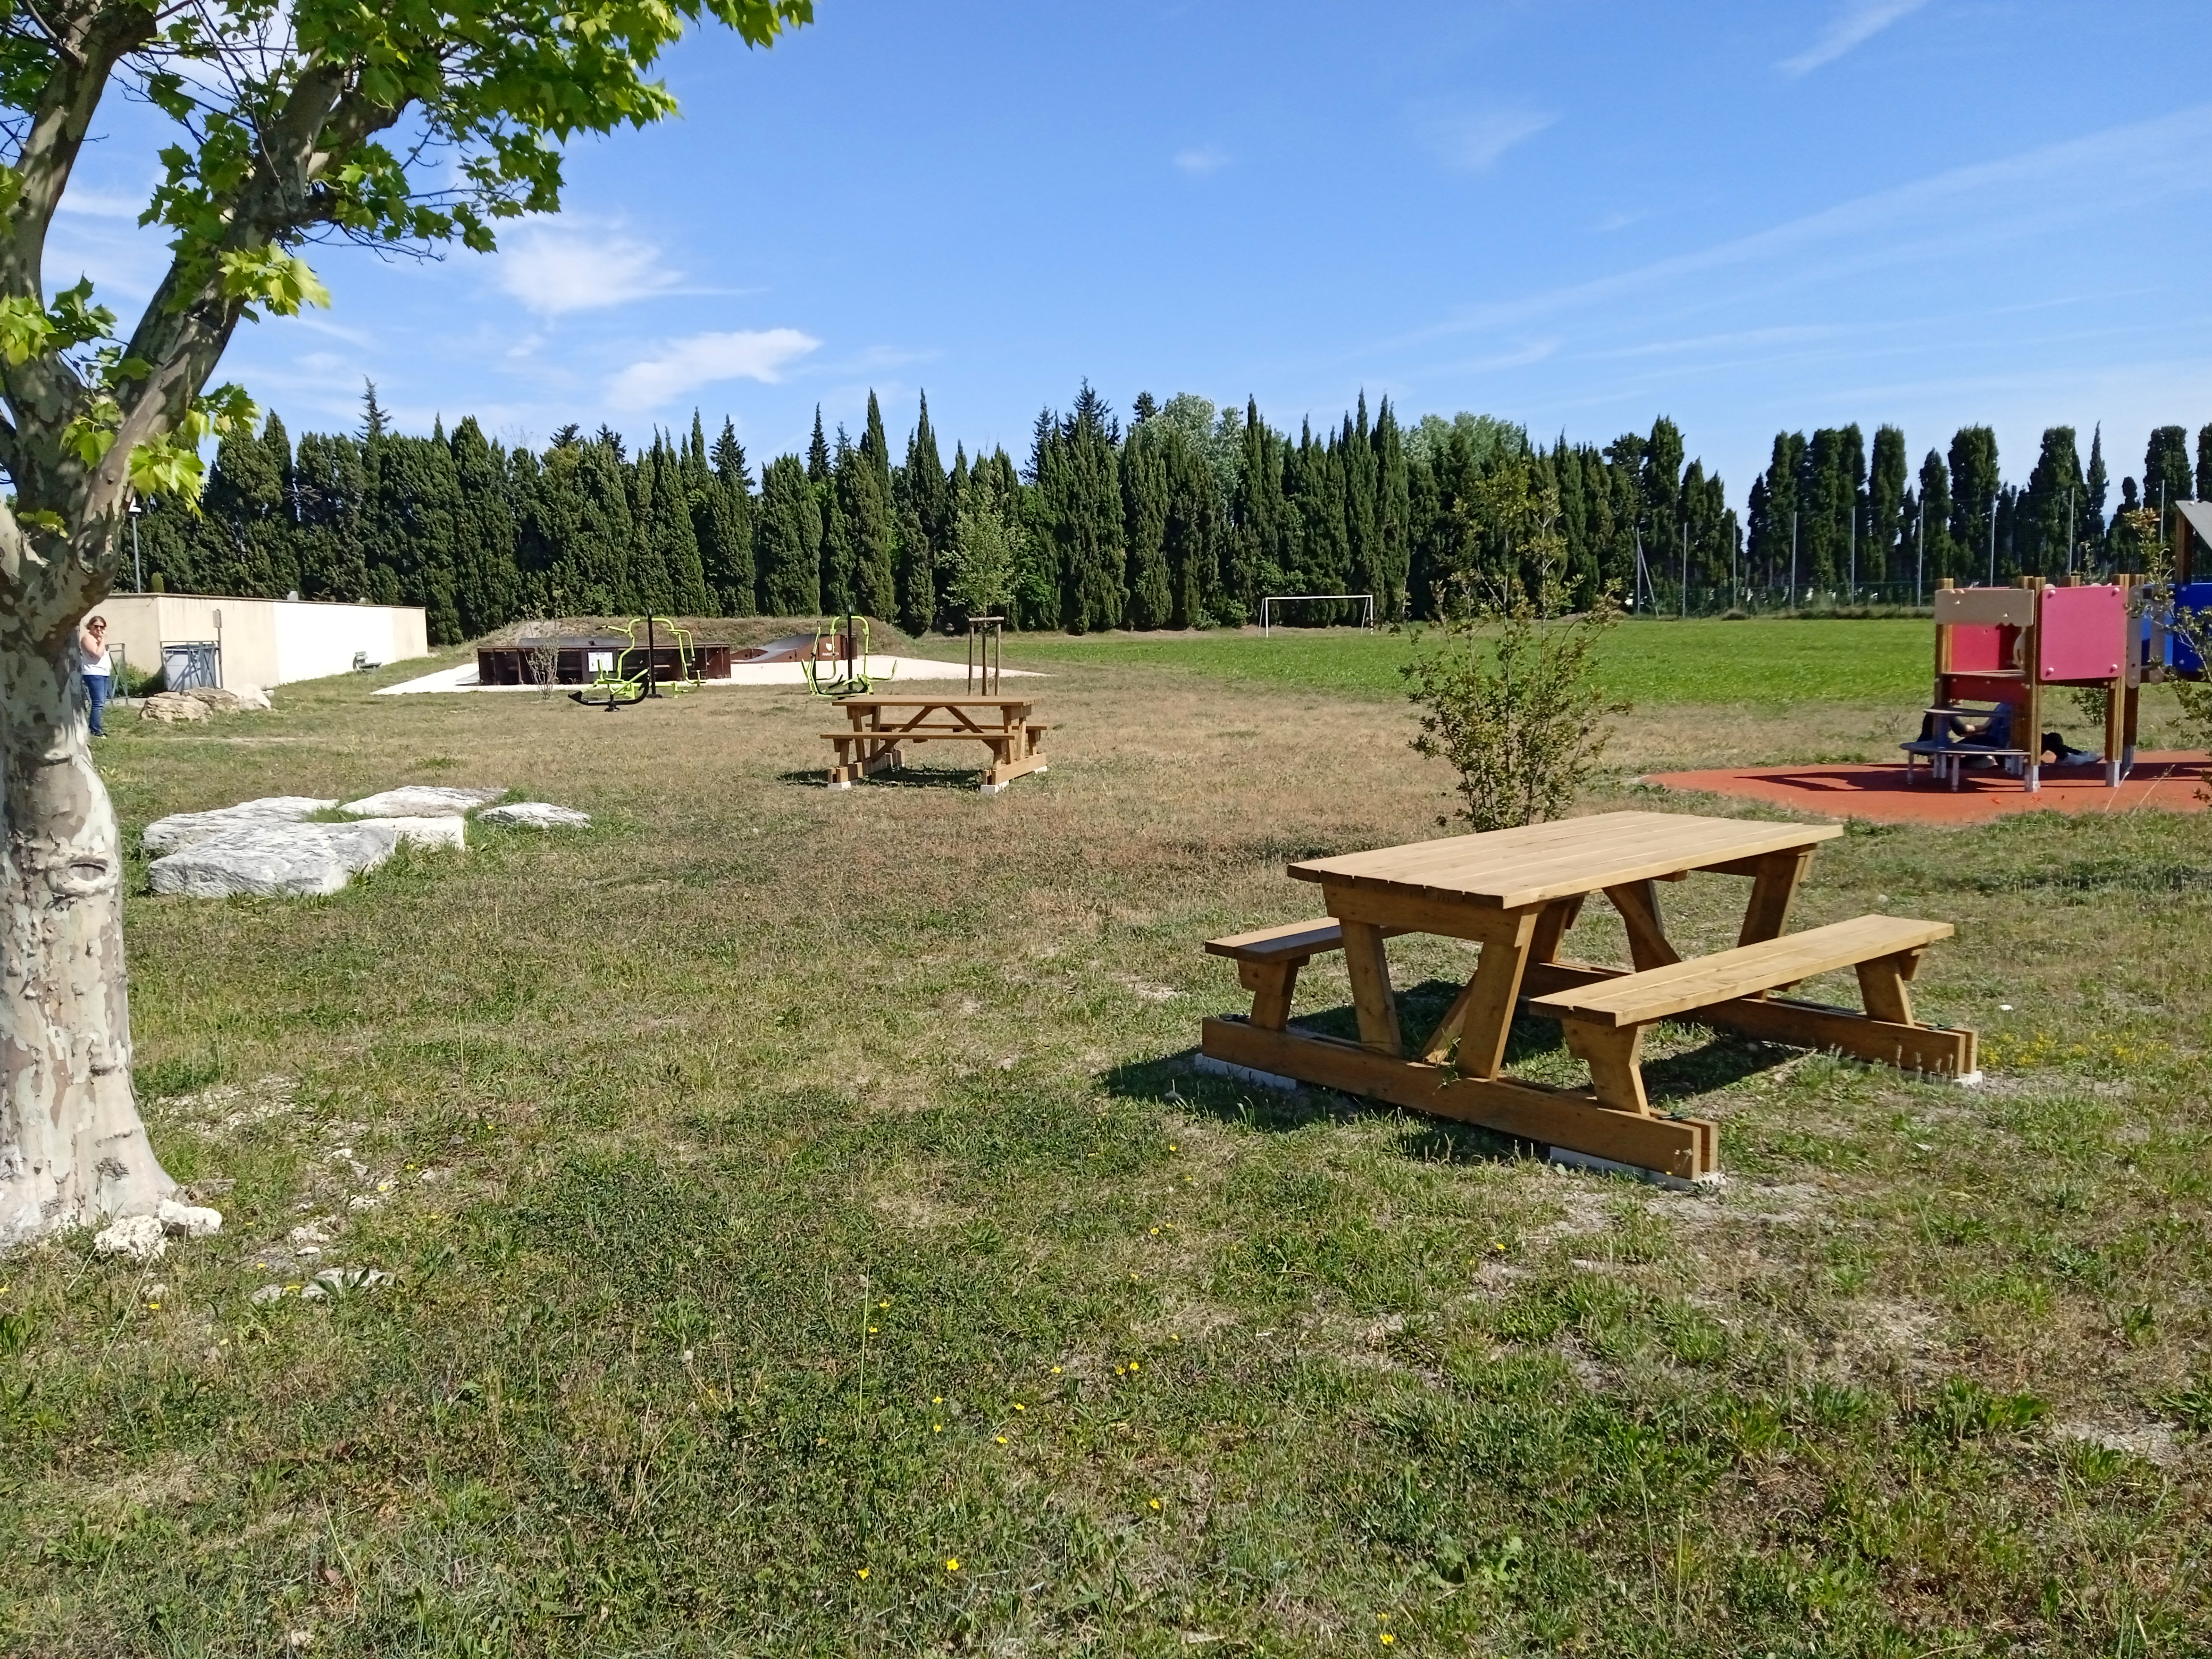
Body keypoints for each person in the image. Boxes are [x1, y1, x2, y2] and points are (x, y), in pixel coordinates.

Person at [78, 615, 112, 736]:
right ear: (90, 626)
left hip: (103, 673)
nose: (99, 629)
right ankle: (95, 729)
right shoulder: (88, 638)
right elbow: (97, 655)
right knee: (98, 703)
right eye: (96, 626)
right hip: (93, 673)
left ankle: (96, 727)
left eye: (102, 627)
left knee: (101, 702)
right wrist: (103, 640)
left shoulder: (97, 639)